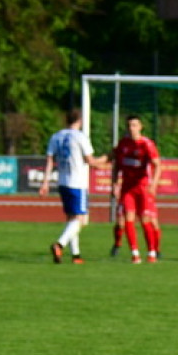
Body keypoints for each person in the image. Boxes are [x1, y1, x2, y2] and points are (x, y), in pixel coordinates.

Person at [39, 109, 110, 264]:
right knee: (82, 220)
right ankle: (59, 244)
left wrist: (45, 183)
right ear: (80, 120)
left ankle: (76, 255)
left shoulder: (56, 136)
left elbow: (50, 160)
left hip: (62, 182)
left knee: (71, 218)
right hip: (77, 183)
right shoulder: (80, 137)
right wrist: (106, 159)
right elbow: (90, 161)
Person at [112, 114, 162, 264]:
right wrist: (115, 183)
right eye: (129, 126)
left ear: (140, 127)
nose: (131, 128)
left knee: (146, 220)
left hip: (142, 187)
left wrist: (153, 185)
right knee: (128, 219)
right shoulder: (123, 144)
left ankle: (152, 252)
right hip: (127, 187)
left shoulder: (146, 144)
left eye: (134, 125)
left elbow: (158, 165)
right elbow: (116, 165)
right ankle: (135, 253)